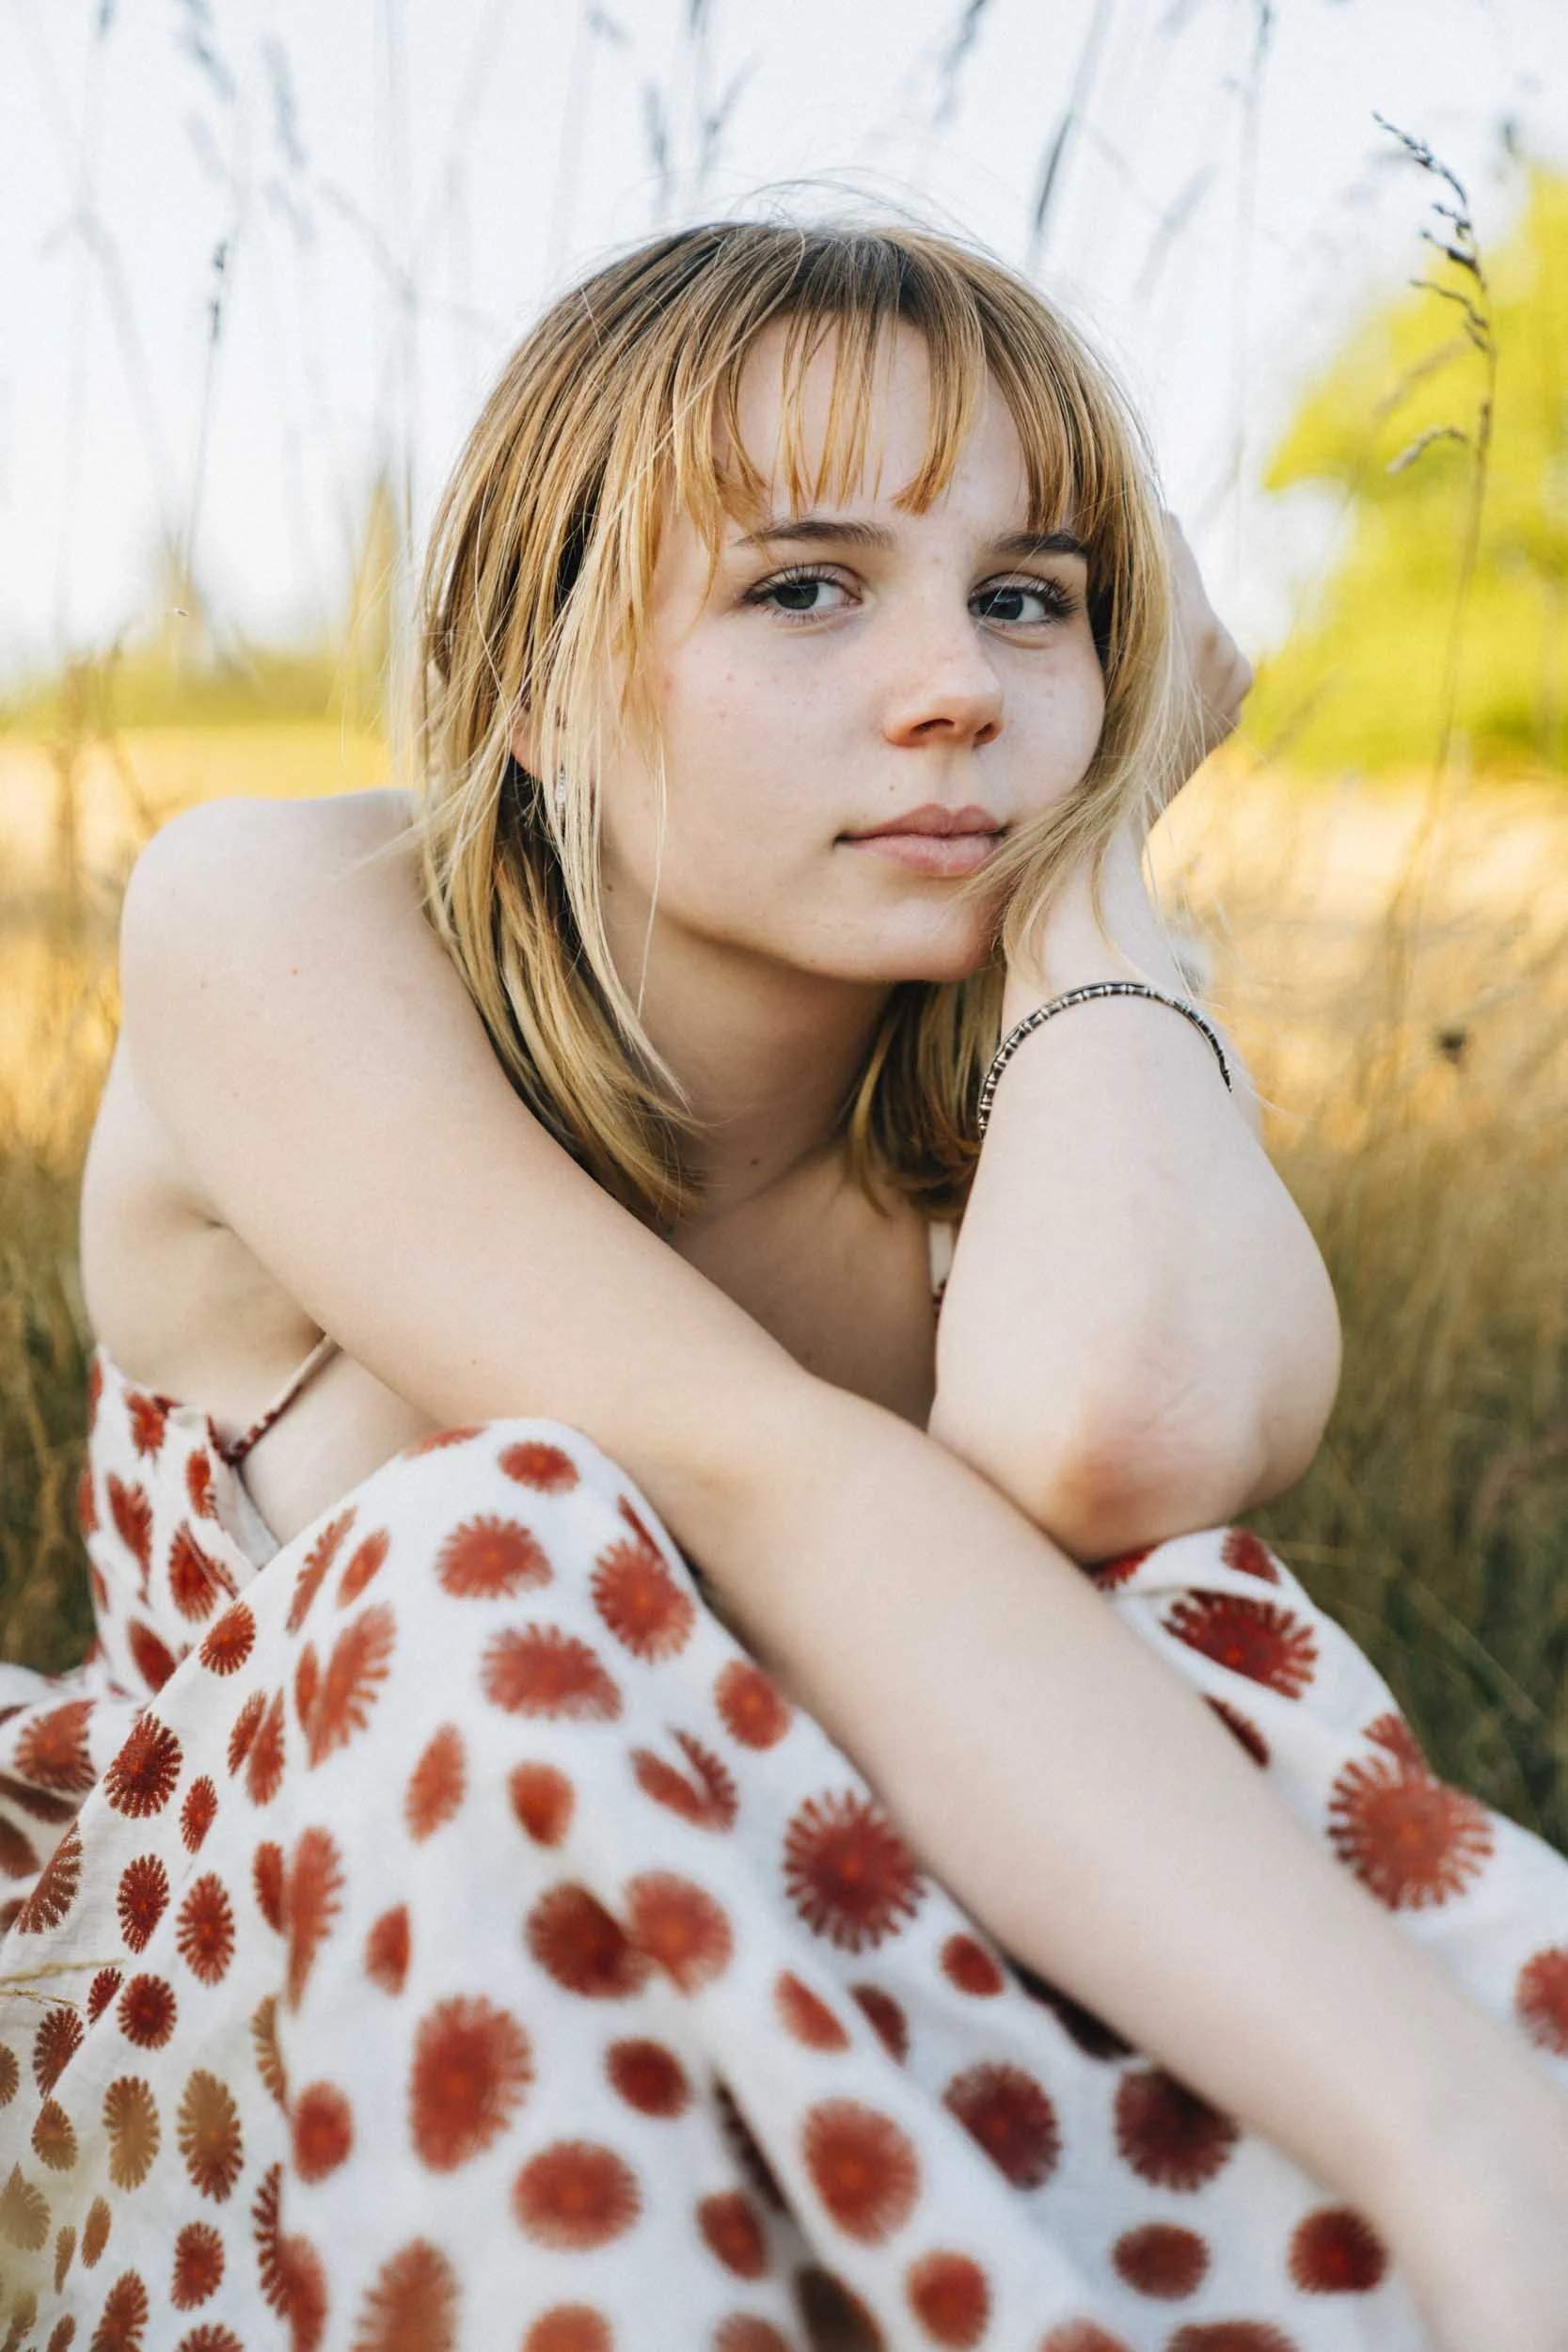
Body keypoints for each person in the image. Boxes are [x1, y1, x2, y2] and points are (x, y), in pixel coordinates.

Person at [3, 215, 1567, 2352]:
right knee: (504, 1534)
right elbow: (758, 1481)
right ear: (539, 683)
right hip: (244, 2043)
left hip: (823, 1961)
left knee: (1175, 1612)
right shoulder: (280, 914)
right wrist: (1449, 2137)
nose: (957, 690)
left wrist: (1101, 892)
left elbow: (1122, 1437)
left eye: (1030, 602)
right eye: (804, 586)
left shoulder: (1024, 1114)